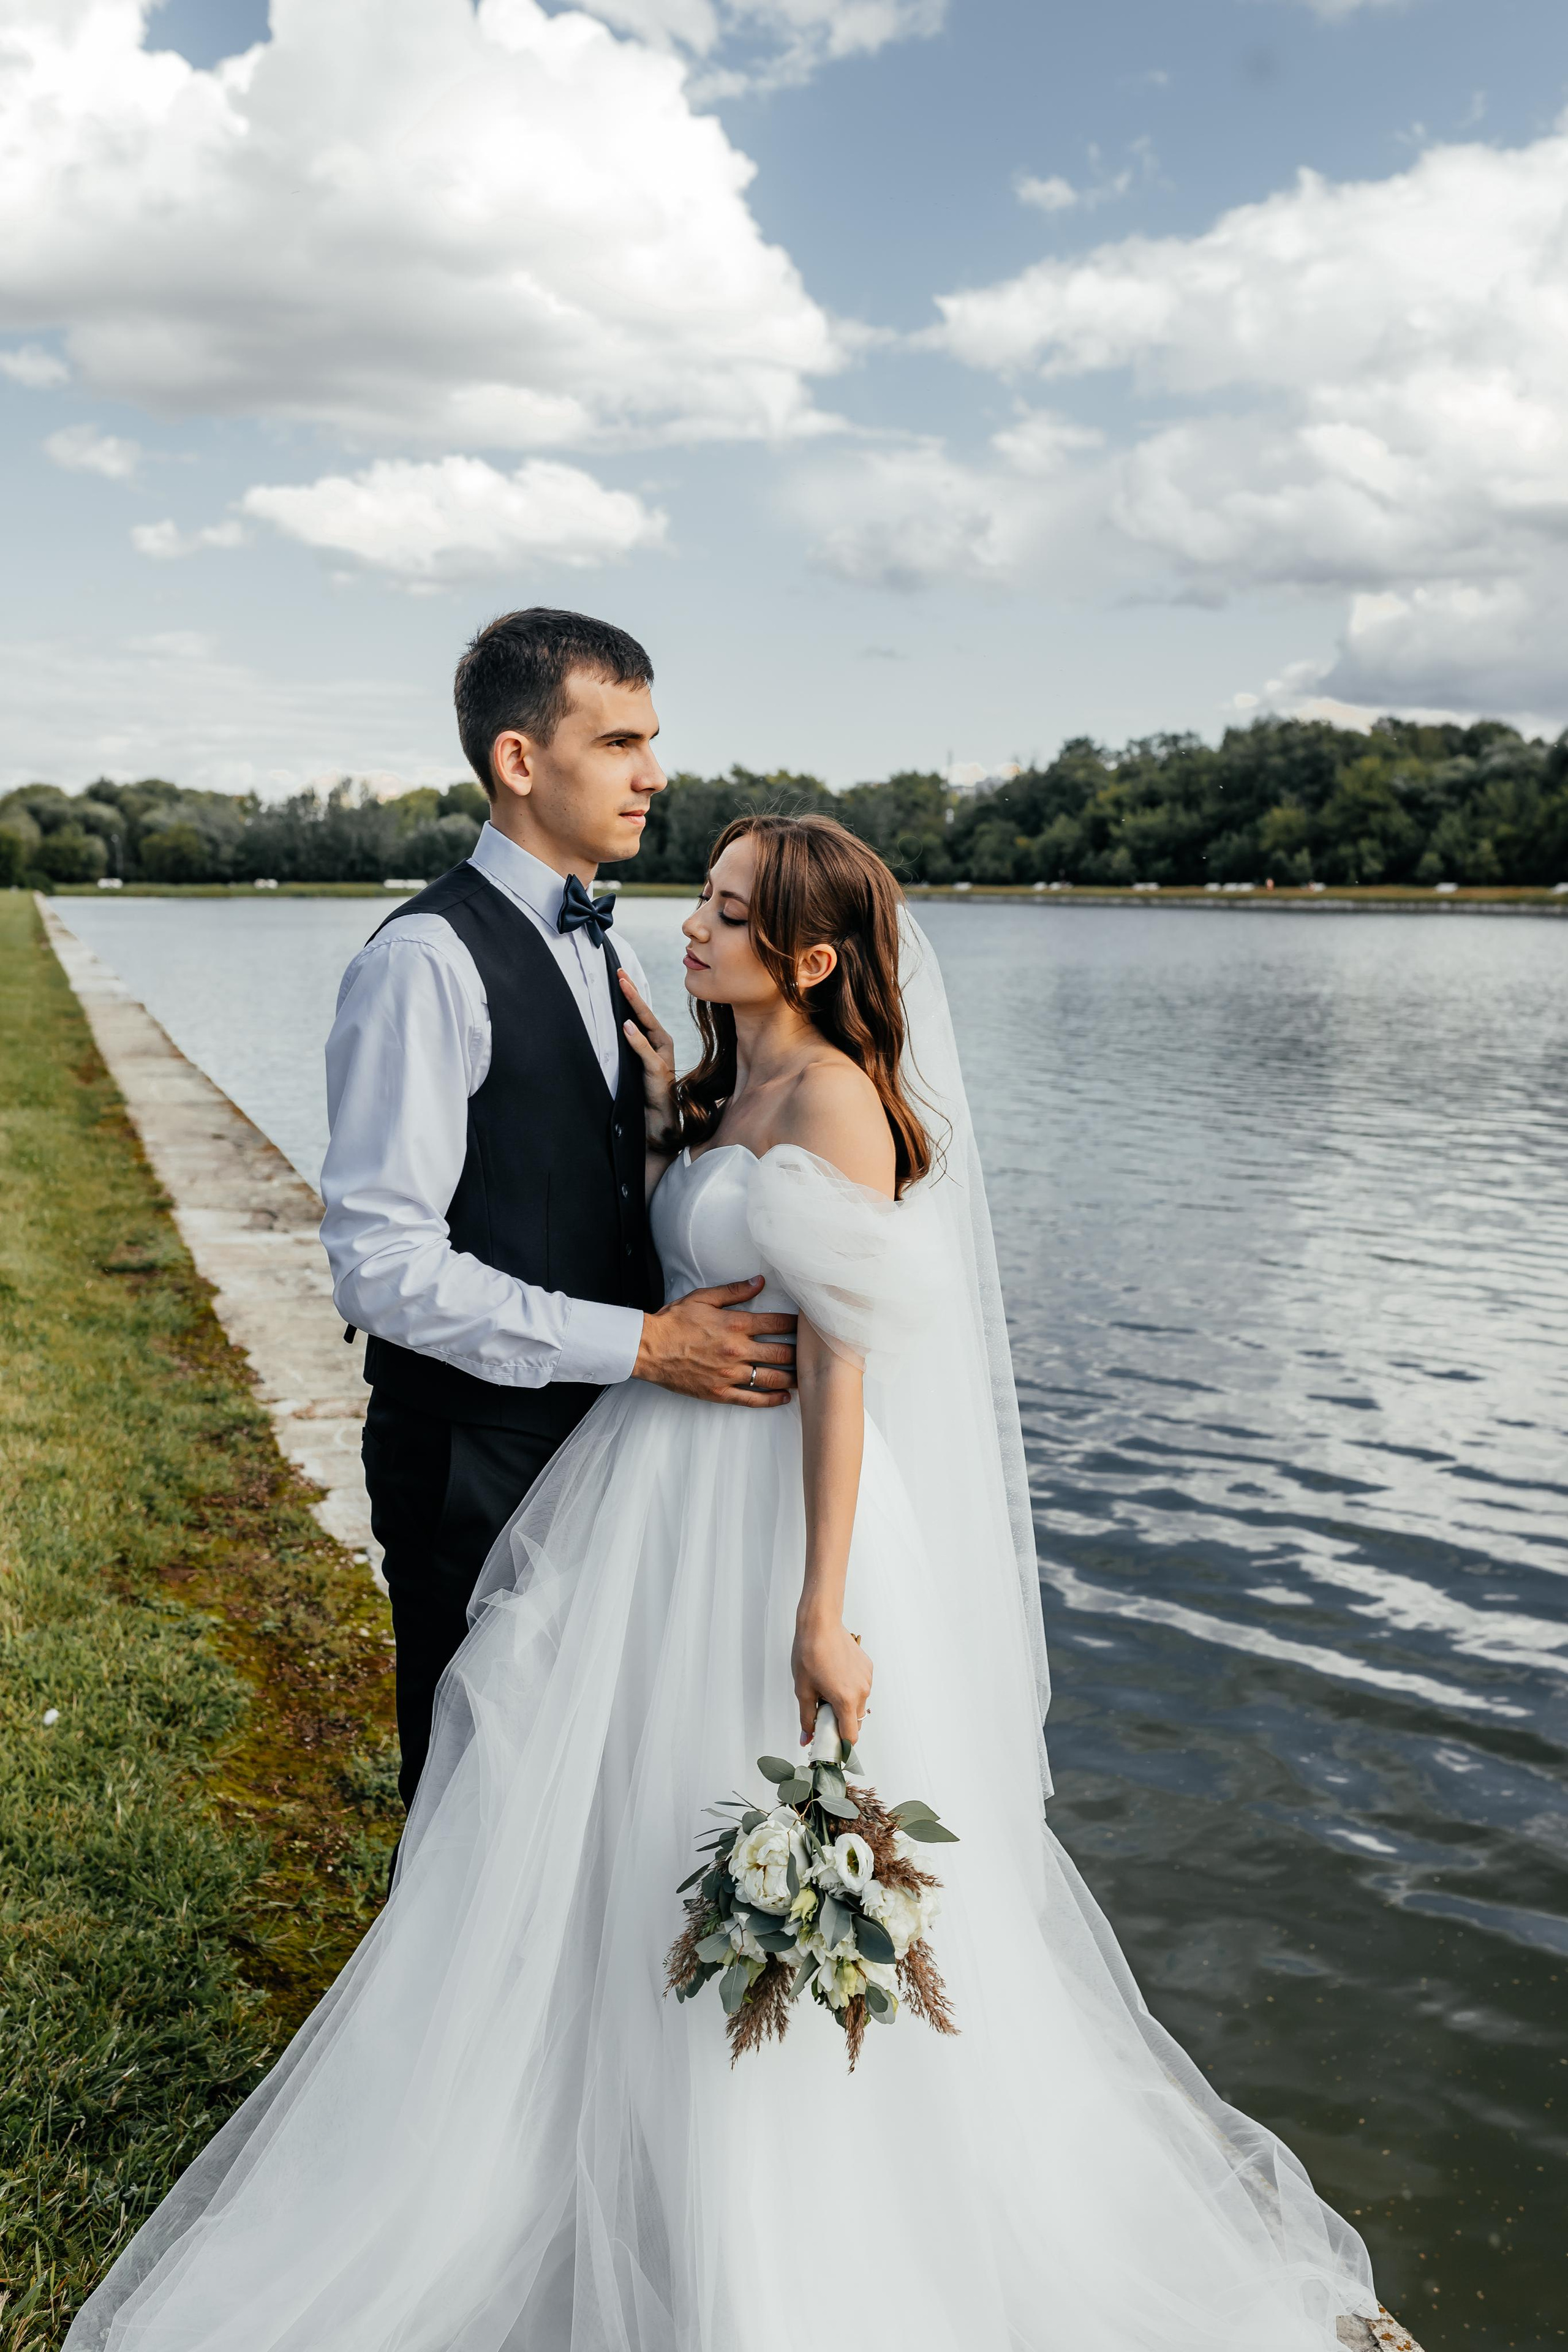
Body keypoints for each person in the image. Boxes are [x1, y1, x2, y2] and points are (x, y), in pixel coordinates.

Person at [67, 816, 1379, 2352]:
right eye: (701, 895)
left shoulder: (836, 1104)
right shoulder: (719, 1079)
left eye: (730, 911)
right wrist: (654, 1103)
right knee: (615, 1815)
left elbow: (840, 1371)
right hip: (652, 1485)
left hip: (776, 1509)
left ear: (810, 957)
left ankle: (772, 2219)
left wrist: (821, 1608)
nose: (690, 923)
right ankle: (597, 2138)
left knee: (736, 1804)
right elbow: (685, 1239)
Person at [318, 608, 797, 1805]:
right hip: (471, 1450)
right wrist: (641, 1344)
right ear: (519, 762)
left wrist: (650, 1134)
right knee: (472, 1786)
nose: (656, 774)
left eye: (653, 740)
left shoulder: (605, 945)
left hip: (600, 1439)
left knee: (578, 1788)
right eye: (620, 743)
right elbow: (379, 1265)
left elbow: (554, 1171)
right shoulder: (422, 963)